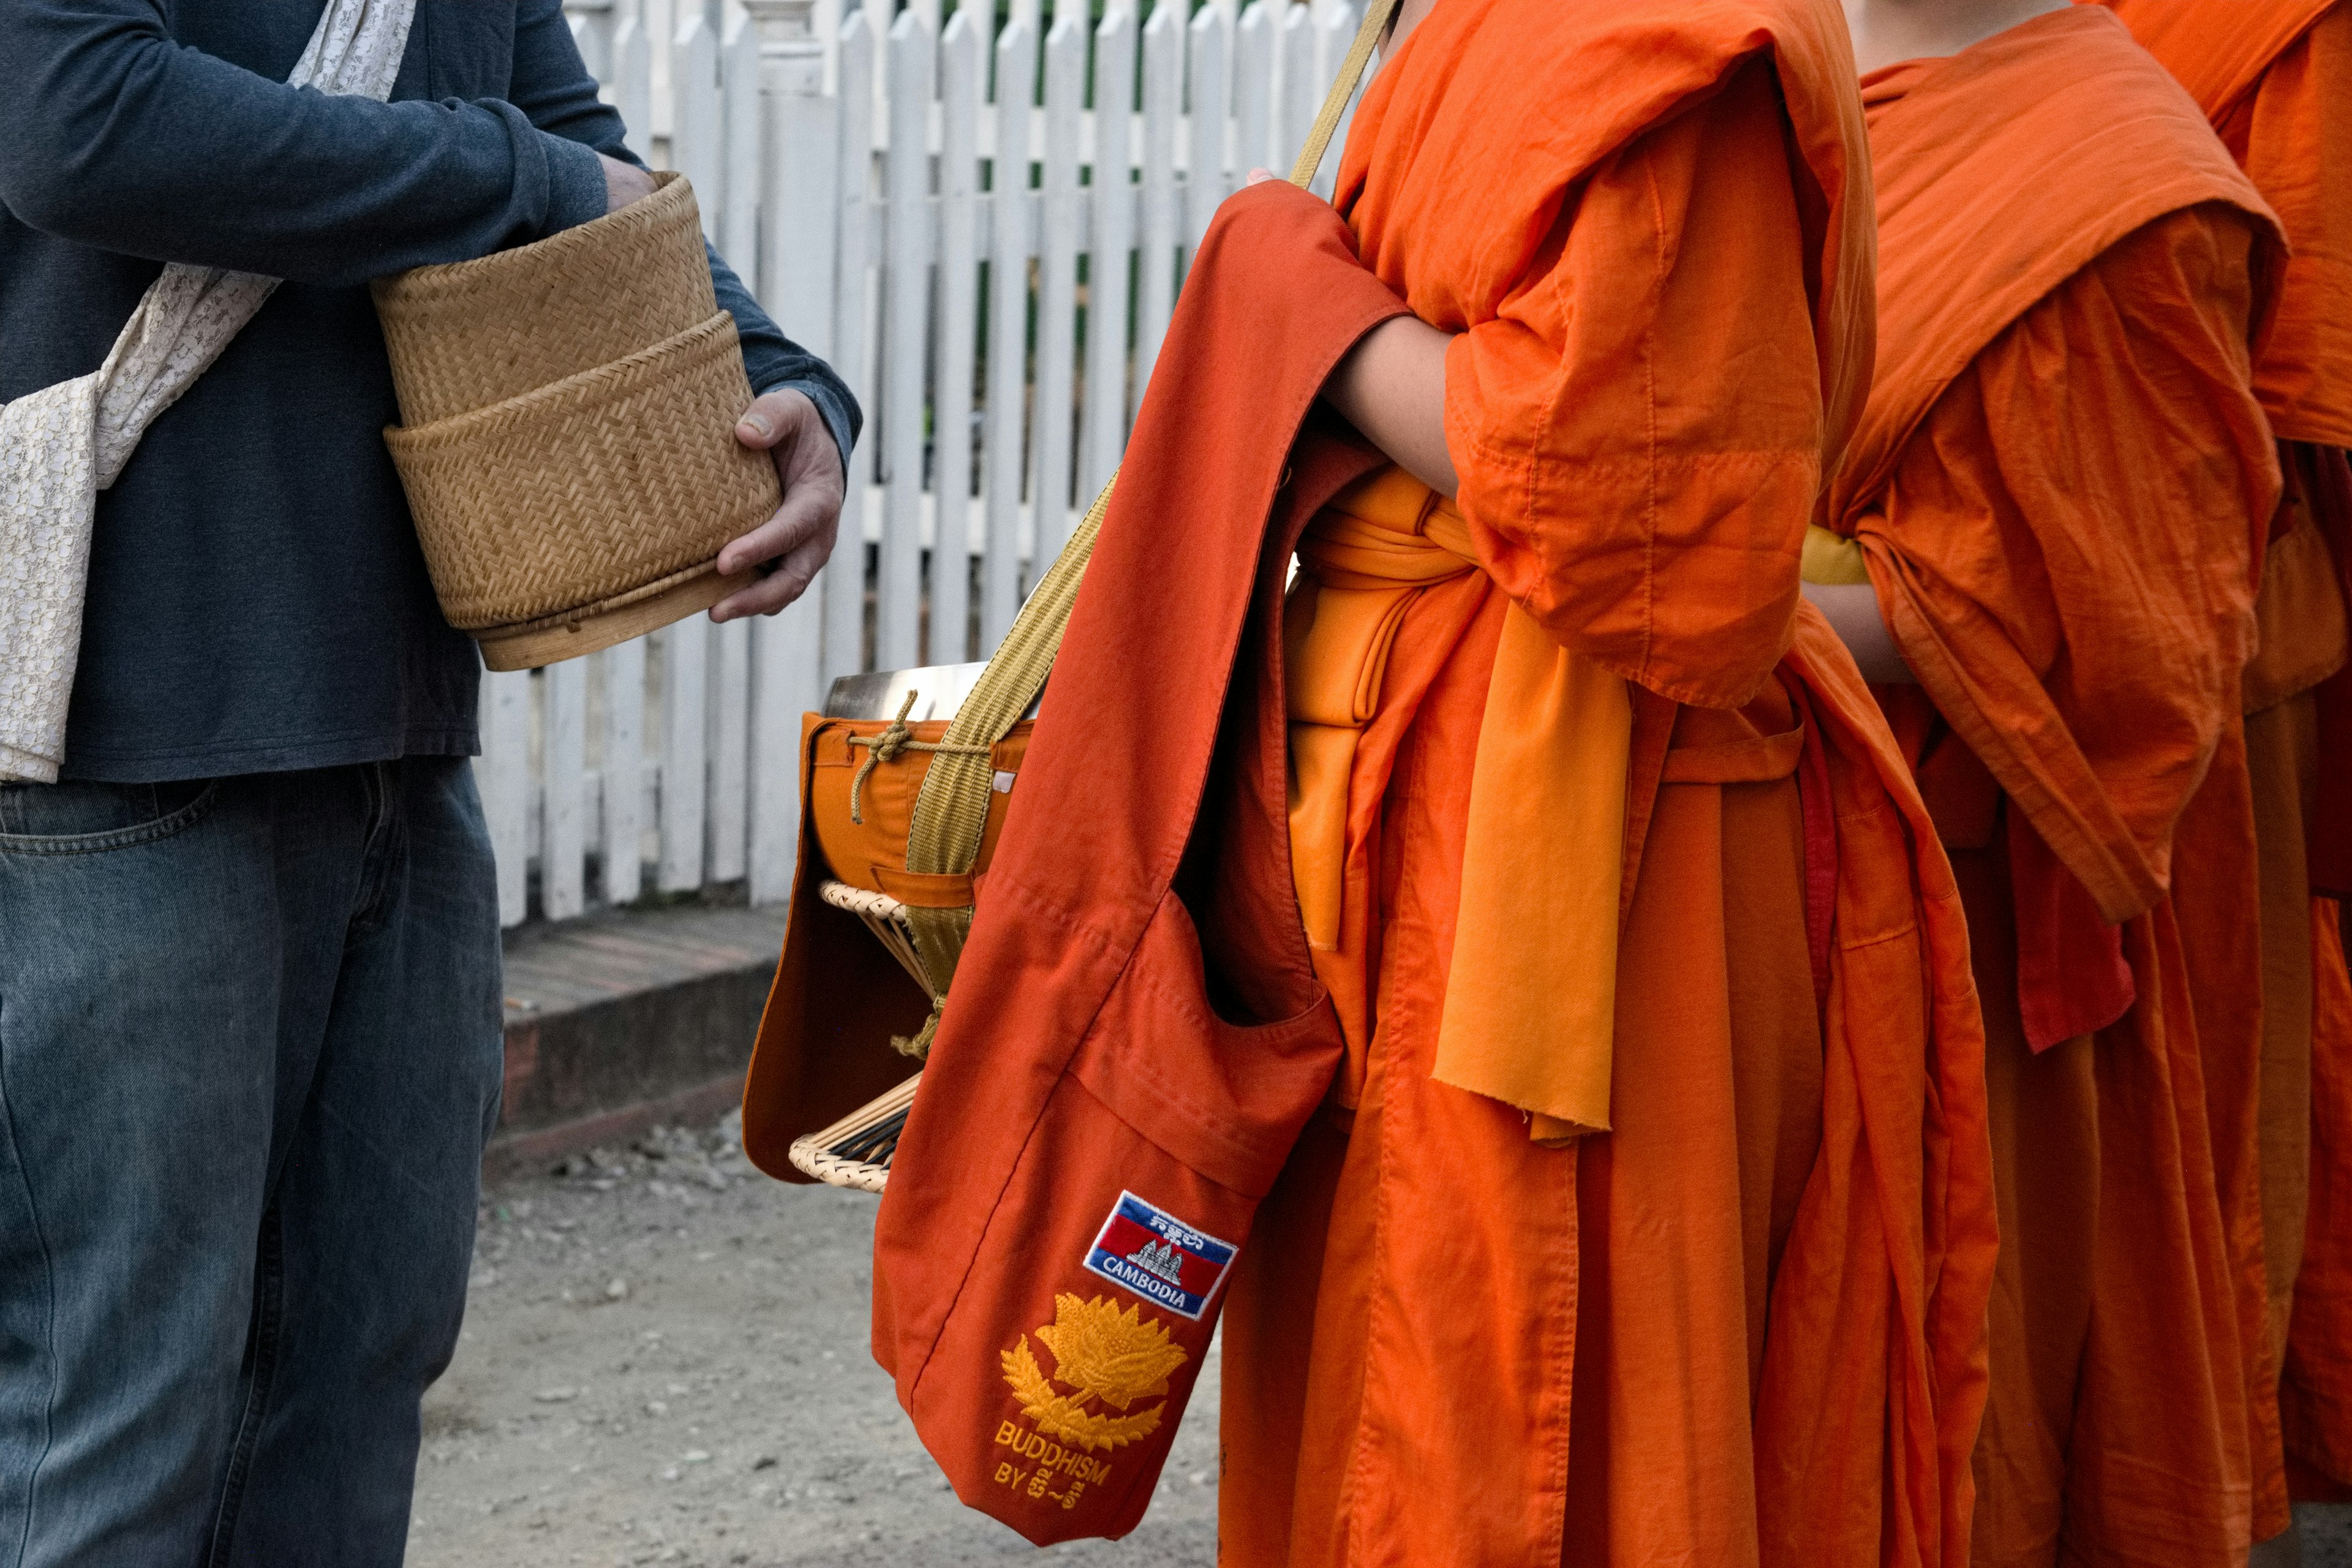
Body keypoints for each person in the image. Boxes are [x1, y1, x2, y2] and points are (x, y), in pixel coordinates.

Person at [0, 1, 854, 1561]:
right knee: (109, 1427)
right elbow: (81, 122)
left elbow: (583, 166)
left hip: (394, 727)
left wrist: (782, 378)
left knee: (354, 1391)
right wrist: (510, 174)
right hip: (112, 736)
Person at [1203, 0, 1996, 1560]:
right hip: (1423, 777)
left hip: (1611, 830)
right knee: (1399, 1337)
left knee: (1585, 1377)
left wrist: (1309, 313)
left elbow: (1625, 499)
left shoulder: (1685, 44)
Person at [1811, 1, 2284, 1560]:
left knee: (1940, 1410)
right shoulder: (1720, 65)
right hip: (1656, 864)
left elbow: (2126, 650)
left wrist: (1666, 588)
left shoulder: (2121, 177)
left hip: (1957, 911)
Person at [2096, 0, 2352, 1520]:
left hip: (2203, 628)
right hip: (1925, 604)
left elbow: (2293, 397)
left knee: (2178, 1138)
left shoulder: (2284, 30)